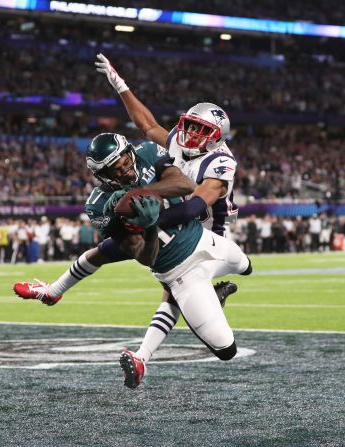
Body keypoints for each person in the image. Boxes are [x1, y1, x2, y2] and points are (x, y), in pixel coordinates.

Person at [15, 54, 241, 345]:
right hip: (175, 214)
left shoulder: (221, 162)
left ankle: (147, 351)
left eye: (201, 130)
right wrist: (120, 84)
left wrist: (148, 217)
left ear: (216, 137)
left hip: (205, 227)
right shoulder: (179, 142)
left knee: (171, 287)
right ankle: (53, 291)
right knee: (104, 250)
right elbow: (147, 125)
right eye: (192, 125)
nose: (191, 133)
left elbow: (195, 202)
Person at [19, 133, 252, 389]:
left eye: (126, 161)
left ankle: (53, 292)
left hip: (206, 240)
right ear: (104, 175)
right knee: (227, 349)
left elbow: (184, 185)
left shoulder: (147, 153)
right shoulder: (99, 206)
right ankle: (54, 293)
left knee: (246, 266)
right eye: (116, 169)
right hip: (180, 272)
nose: (126, 170)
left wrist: (139, 193)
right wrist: (149, 226)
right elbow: (144, 256)